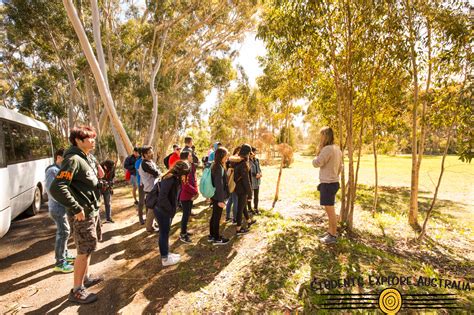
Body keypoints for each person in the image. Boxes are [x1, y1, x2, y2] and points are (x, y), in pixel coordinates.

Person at [50, 126, 104, 304]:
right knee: (83, 250)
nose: (93, 141)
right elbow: (57, 187)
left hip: (92, 211)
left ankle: (85, 278)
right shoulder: (72, 159)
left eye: (93, 137)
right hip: (83, 214)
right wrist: (76, 207)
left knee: (88, 249)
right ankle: (77, 290)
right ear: (78, 141)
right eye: (89, 138)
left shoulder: (85, 158)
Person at [155, 161, 190, 266]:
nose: (186, 176)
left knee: (165, 232)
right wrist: (170, 210)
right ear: (180, 172)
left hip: (165, 210)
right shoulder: (170, 179)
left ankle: (166, 253)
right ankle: (165, 259)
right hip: (162, 210)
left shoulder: (175, 178)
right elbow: (162, 197)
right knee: (164, 233)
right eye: (185, 174)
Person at [45, 148, 75, 273]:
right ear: (59, 157)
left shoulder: (60, 170)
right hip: (57, 208)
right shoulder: (52, 170)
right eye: (65, 158)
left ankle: (65, 255)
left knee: (65, 232)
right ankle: (60, 262)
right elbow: (52, 191)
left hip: (61, 207)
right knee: (63, 232)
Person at [312, 126, 343, 245]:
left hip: (328, 183)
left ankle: (333, 235)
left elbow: (317, 163)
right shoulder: (337, 149)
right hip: (333, 182)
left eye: (321, 136)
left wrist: (316, 155)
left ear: (325, 136)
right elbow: (341, 167)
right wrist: (334, 175)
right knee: (329, 209)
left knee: (330, 211)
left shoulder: (327, 149)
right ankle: (330, 231)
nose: (320, 138)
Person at [233, 144, 256, 235]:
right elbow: (246, 181)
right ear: (247, 153)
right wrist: (250, 194)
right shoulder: (243, 164)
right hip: (242, 189)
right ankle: (238, 229)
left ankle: (249, 220)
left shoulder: (237, 160)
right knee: (240, 208)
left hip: (237, 188)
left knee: (243, 207)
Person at [209, 147, 230, 245]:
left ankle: (212, 235)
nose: (227, 157)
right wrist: (221, 200)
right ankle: (217, 238)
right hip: (218, 196)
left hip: (215, 195)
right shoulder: (219, 167)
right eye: (226, 156)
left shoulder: (215, 165)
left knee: (214, 216)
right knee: (216, 217)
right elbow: (219, 184)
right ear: (221, 156)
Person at [138, 146, 161, 233]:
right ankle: (149, 228)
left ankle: (152, 226)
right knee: (152, 209)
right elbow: (156, 172)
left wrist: (158, 172)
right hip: (150, 189)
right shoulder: (145, 164)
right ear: (144, 155)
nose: (152, 153)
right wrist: (158, 172)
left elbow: (158, 171)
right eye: (149, 153)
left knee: (154, 208)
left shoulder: (150, 162)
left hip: (154, 188)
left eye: (151, 152)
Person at [178, 151, 198, 243]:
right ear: (185, 157)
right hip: (185, 195)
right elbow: (185, 185)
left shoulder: (191, 165)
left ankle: (184, 231)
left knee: (188, 213)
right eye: (190, 156)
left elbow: (194, 179)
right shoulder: (183, 168)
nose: (192, 157)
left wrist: (195, 191)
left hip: (191, 194)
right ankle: (182, 234)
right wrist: (195, 192)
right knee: (185, 215)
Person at [225, 146, 241, 223]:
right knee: (235, 201)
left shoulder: (229, 160)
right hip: (234, 183)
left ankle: (227, 216)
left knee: (230, 200)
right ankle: (234, 218)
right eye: (239, 151)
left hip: (229, 183)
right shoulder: (236, 159)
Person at [248, 147, 262, 215]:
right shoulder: (247, 161)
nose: (255, 153)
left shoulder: (257, 160)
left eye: (255, 152)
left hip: (257, 180)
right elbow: (248, 171)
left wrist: (260, 173)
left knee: (256, 196)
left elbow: (258, 168)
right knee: (250, 196)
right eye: (254, 152)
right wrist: (255, 175)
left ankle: (256, 208)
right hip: (251, 181)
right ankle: (249, 209)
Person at [135, 148, 145, 225]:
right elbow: (141, 173)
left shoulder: (148, 161)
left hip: (148, 184)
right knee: (141, 201)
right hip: (141, 184)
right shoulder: (138, 162)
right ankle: (140, 218)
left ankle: (148, 218)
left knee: (148, 201)